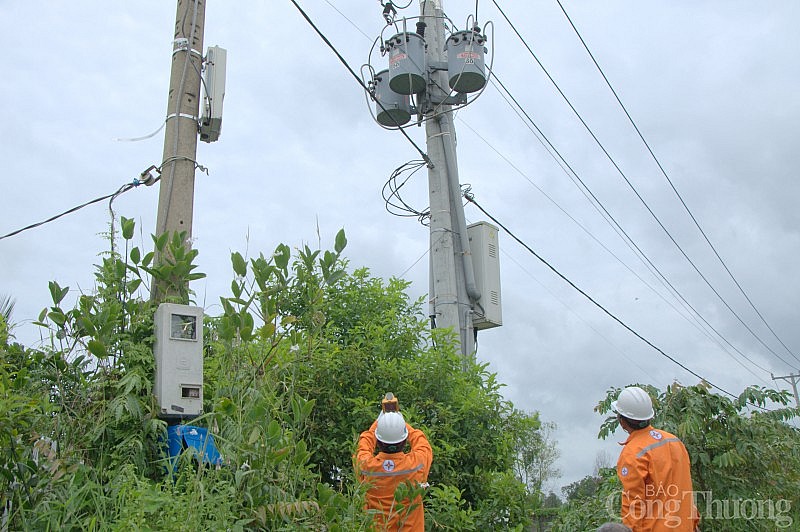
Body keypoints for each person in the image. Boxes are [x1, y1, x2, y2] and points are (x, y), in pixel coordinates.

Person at [612, 386, 699, 532]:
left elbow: (634, 506)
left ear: (622, 421)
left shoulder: (633, 453)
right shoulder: (674, 441)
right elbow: (686, 488)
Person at [355, 411, 433, 531]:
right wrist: (400, 421)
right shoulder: (417, 464)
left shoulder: (366, 466)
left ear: (378, 441)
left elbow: (363, 447)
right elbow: (422, 444)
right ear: (404, 440)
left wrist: (378, 423)